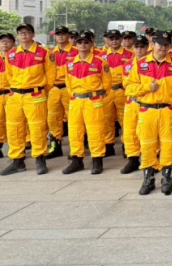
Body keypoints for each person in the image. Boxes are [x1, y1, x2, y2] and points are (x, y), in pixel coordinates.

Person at [125, 31, 172, 195]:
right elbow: (129, 88)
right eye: (160, 44)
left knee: (169, 144)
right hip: (147, 111)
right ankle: (148, 178)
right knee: (147, 144)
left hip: (169, 112)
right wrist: (146, 88)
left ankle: (167, 177)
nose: (163, 48)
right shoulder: (141, 64)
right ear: (153, 45)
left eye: (167, 45)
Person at [1, 23, 55, 176]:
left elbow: (51, 75)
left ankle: (40, 158)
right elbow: (9, 75)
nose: (23, 35)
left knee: (37, 128)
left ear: (33, 35)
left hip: (35, 95)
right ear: (17, 36)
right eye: (21, 33)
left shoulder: (44, 52)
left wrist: (41, 91)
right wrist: (15, 89)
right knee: (14, 128)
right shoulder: (11, 54)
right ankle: (17, 160)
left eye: (27, 32)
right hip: (15, 96)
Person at [62, 31, 113, 175]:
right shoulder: (70, 63)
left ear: (91, 44)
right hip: (76, 101)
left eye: (86, 42)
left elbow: (107, 84)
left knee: (95, 131)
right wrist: (74, 95)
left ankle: (97, 160)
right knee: (74, 131)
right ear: (76, 44)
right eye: (80, 42)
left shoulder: (100, 62)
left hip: (93, 101)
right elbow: (68, 83)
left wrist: (97, 97)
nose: (83, 45)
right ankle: (77, 160)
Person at [120, 35, 150, 175]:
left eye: (142, 46)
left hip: (146, 103)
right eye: (136, 46)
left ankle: (150, 160)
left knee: (146, 133)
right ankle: (132, 159)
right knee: (129, 132)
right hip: (131, 102)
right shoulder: (127, 65)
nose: (139, 49)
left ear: (147, 47)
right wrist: (142, 88)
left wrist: (138, 88)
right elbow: (127, 86)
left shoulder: (152, 63)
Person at [46, 25, 75, 160]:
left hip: (68, 89)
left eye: (63, 34)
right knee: (53, 118)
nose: (61, 36)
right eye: (58, 34)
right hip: (54, 89)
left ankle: (76, 148)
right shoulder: (50, 53)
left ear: (68, 36)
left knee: (73, 119)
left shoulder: (76, 51)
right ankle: (55, 146)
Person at [103, 29, 133, 156]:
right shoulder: (102, 56)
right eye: (112, 39)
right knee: (107, 119)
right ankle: (108, 145)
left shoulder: (130, 54)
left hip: (122, 91)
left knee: (125, 120)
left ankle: (127, 145)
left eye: (116, 38)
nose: (114, 41)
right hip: (107, 92)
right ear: (108, 40)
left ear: (121, 40)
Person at [0, 33, 14, 158]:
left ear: (13, 43)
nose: (4, 43)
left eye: (8, 41)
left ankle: (21, 146)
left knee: (14, 122)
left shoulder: (16, 58)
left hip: (12, 94)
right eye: (2, 41)